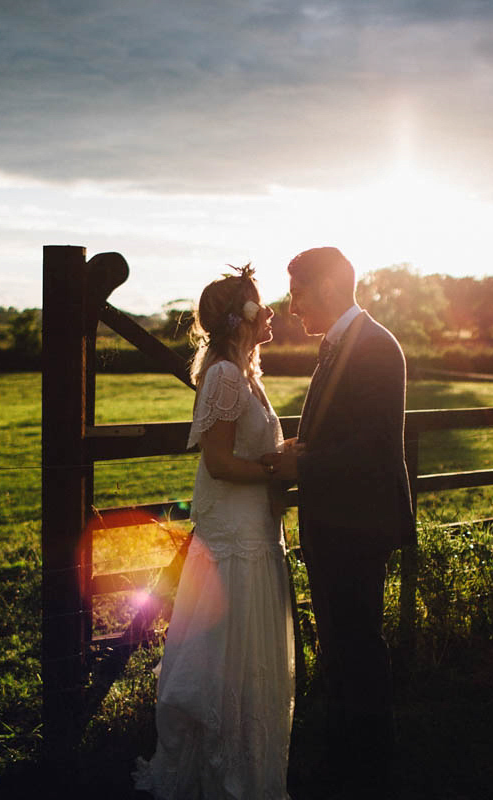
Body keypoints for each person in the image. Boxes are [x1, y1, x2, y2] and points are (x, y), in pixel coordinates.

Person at [134, 265, 295, 800]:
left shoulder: (246, 373)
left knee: (248, 657)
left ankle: (245, 767)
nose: (270, 312)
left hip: (253, 530)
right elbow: (221, 463)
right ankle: (222, 773)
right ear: (243, 317)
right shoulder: (226, 375)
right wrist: (279, 469)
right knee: (225, 657)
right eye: (262, 304)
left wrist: (276, 460)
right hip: (234, 541)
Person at [264, 246, 416, 795]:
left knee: (357, 647)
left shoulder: (374, 347)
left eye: (298, 292)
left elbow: (374, 449)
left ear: (328, 288)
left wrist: (301, 462)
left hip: (358, 523)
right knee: (342, 644)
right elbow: (343, 433)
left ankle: (366, 769)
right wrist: (304, 448)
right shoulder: (341, 343)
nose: (291, 305)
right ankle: (349, 757)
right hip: (337, 521)